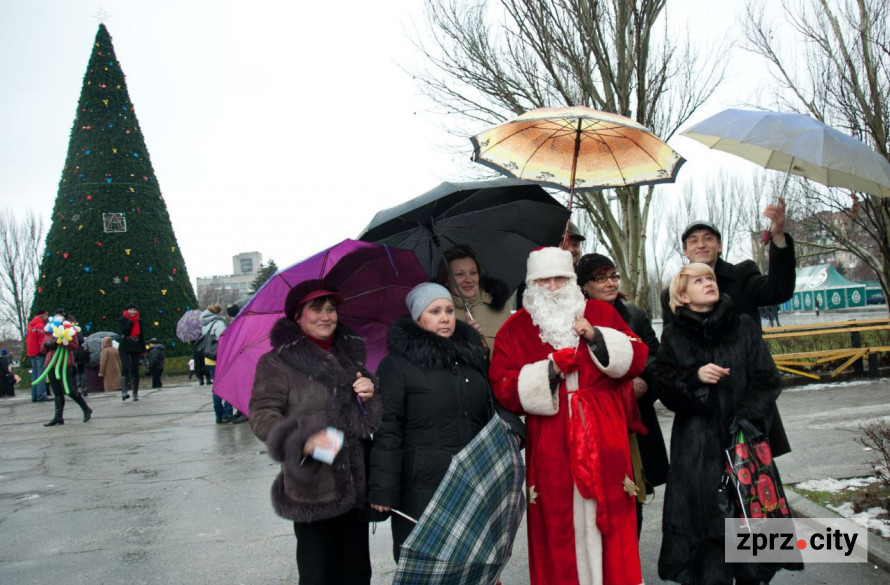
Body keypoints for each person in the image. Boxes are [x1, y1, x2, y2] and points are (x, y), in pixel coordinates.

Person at [489, 247, 649, 585]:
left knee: (612, 513)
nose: (552, 286)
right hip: (551, 435)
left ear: (572, 280)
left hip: (604, 429)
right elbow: (503, 387)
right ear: (531, 284)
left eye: (560, 278)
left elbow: (637, 356)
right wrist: (549, 370)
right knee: (557, 518)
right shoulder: (515, 328)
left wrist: (596, 337)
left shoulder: (600, 313)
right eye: (543, 280)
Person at [656, 263, 797, 585]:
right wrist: (694, 377)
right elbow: (664, 387)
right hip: (696, 456)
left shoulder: (743, 326)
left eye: (710, 278)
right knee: (706, 548)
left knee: (752, 537)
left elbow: (768, 379)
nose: (708, 283)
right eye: (698, 280)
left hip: (744, 447)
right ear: (682, 294)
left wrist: (745, 416)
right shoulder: (674, 334)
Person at [368, 282, 524, 561]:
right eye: (435, 311)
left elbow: (492, 405)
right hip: (420, 488)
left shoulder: (470, 358)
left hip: (470, 482)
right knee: (426, 567)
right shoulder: (396, 366)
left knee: (469, 565)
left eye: (450, 310)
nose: (445, 317)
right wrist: (383, 489)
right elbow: (387, 429)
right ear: (418, 319)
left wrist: (514, 431)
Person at [249, 280, 382, 585]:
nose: (326, 316)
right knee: (317, 574)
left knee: (357, 573)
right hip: (312, 486)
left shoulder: (350, 358)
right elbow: (262, 414)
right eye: (316, 309)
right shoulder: (276, 362)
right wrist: (302, 440)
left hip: (354, 483)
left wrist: (369, 393)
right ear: (298, 316)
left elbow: (368, 418)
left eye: (331, 309)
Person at [576, 253, 669, 537]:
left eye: (613, 276)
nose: (609, 283)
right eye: (600, 278)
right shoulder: (578, 319)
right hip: (595, 421)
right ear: (584, 286)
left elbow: (655, 356)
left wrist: (643, 378)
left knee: (634, 490)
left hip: (634, 417)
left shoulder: (635, 315)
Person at [660, 199, 796, 328]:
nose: (701, 245)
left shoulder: (743, 275)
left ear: (719, 246)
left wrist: (778, 238)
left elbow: (779, 291)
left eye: (708, 238)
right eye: (694, 241)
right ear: (685, 251)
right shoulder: (672, 293)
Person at [436, 244, 513, 354]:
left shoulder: (500, 306)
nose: (468, 279)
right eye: (460, 274)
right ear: (445, 280)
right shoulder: (439, 315)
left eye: (473, 272)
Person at [42, 309, 92, 426]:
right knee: (57, 392)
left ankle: (86, 409)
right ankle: (58, 417)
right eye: (55, 315)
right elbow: (42, 349)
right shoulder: (49, 330)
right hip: (51, 364)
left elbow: (74, 346)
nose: (57, 317)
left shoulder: (70, 330)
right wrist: (47, 345)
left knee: (69, 390)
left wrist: (62, 342)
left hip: (65, 364)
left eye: (60, 315)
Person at [201, 304, 232, 422]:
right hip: (219, 359)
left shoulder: (205, 324)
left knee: (216, 387)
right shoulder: (219, 324)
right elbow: (223, 340)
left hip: (208, 359)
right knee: (227, 387)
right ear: (218, 312)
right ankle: (226, 413)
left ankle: (218, 416)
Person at [119, 302, 145, 401]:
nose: (132, 312)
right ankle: (124, 392)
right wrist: (130, 321)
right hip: (125, 345)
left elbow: (142, 335)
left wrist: (143, 349)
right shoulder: (122, 319)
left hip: (135, 345)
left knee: (135, 369)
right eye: (130, 310)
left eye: (134, 310)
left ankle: (135, 393)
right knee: (125, 367)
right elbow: (124, 331)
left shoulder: (139, 320)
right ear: (127, 311)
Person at [27, 310, 50, 401]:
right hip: (39, 352)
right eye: (46, 316)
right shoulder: (41, 326)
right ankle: (41, 395)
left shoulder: (30, 325)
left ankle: (34, 396)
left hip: (31, 352)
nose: (47, 318)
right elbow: (42, 341)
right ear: (43, 316)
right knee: (41, 374)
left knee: (35, 374)